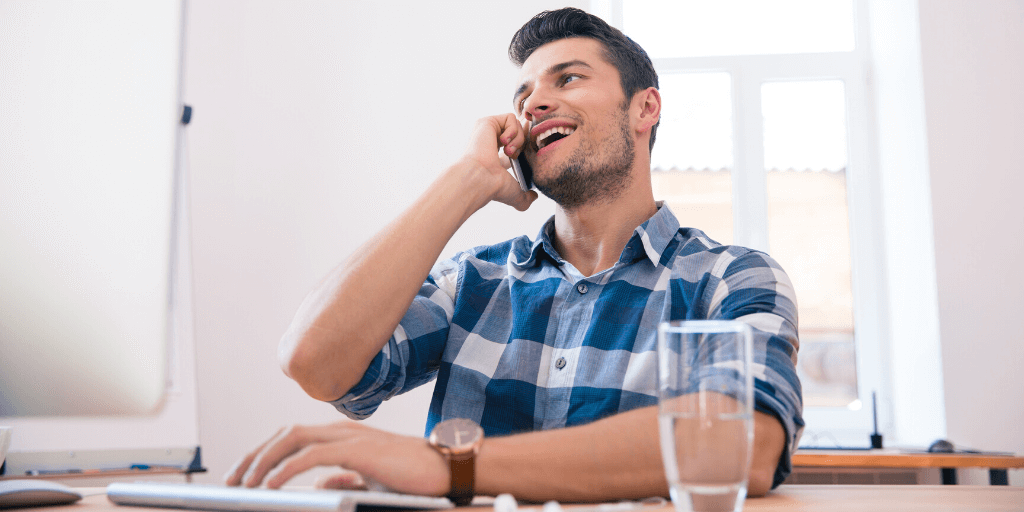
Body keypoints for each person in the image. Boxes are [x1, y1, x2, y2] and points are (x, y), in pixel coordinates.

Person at [225, 7, 803, 503]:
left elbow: (741, 445)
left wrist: (451, 469)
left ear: (644, 108)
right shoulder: (473, 281)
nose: (535, 104)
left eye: (567, 79)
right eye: (523, 95)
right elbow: (315, 362)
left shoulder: (732, 279)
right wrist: (466, 180)